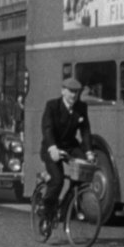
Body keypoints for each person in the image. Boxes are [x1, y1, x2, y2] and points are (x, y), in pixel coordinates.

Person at [39, 77, 95, 220]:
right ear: (63, 91)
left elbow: (85, 131)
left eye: (76, 92)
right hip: (52, 147)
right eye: (71, 91)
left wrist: (88, 152)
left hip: (70, 146)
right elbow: (47, 128)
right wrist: (52, 148)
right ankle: (47, 210)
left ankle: (65, 209)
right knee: (58, 180)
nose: (74, 95)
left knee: (83, 174)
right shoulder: (52, 106)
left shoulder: (81, 107)